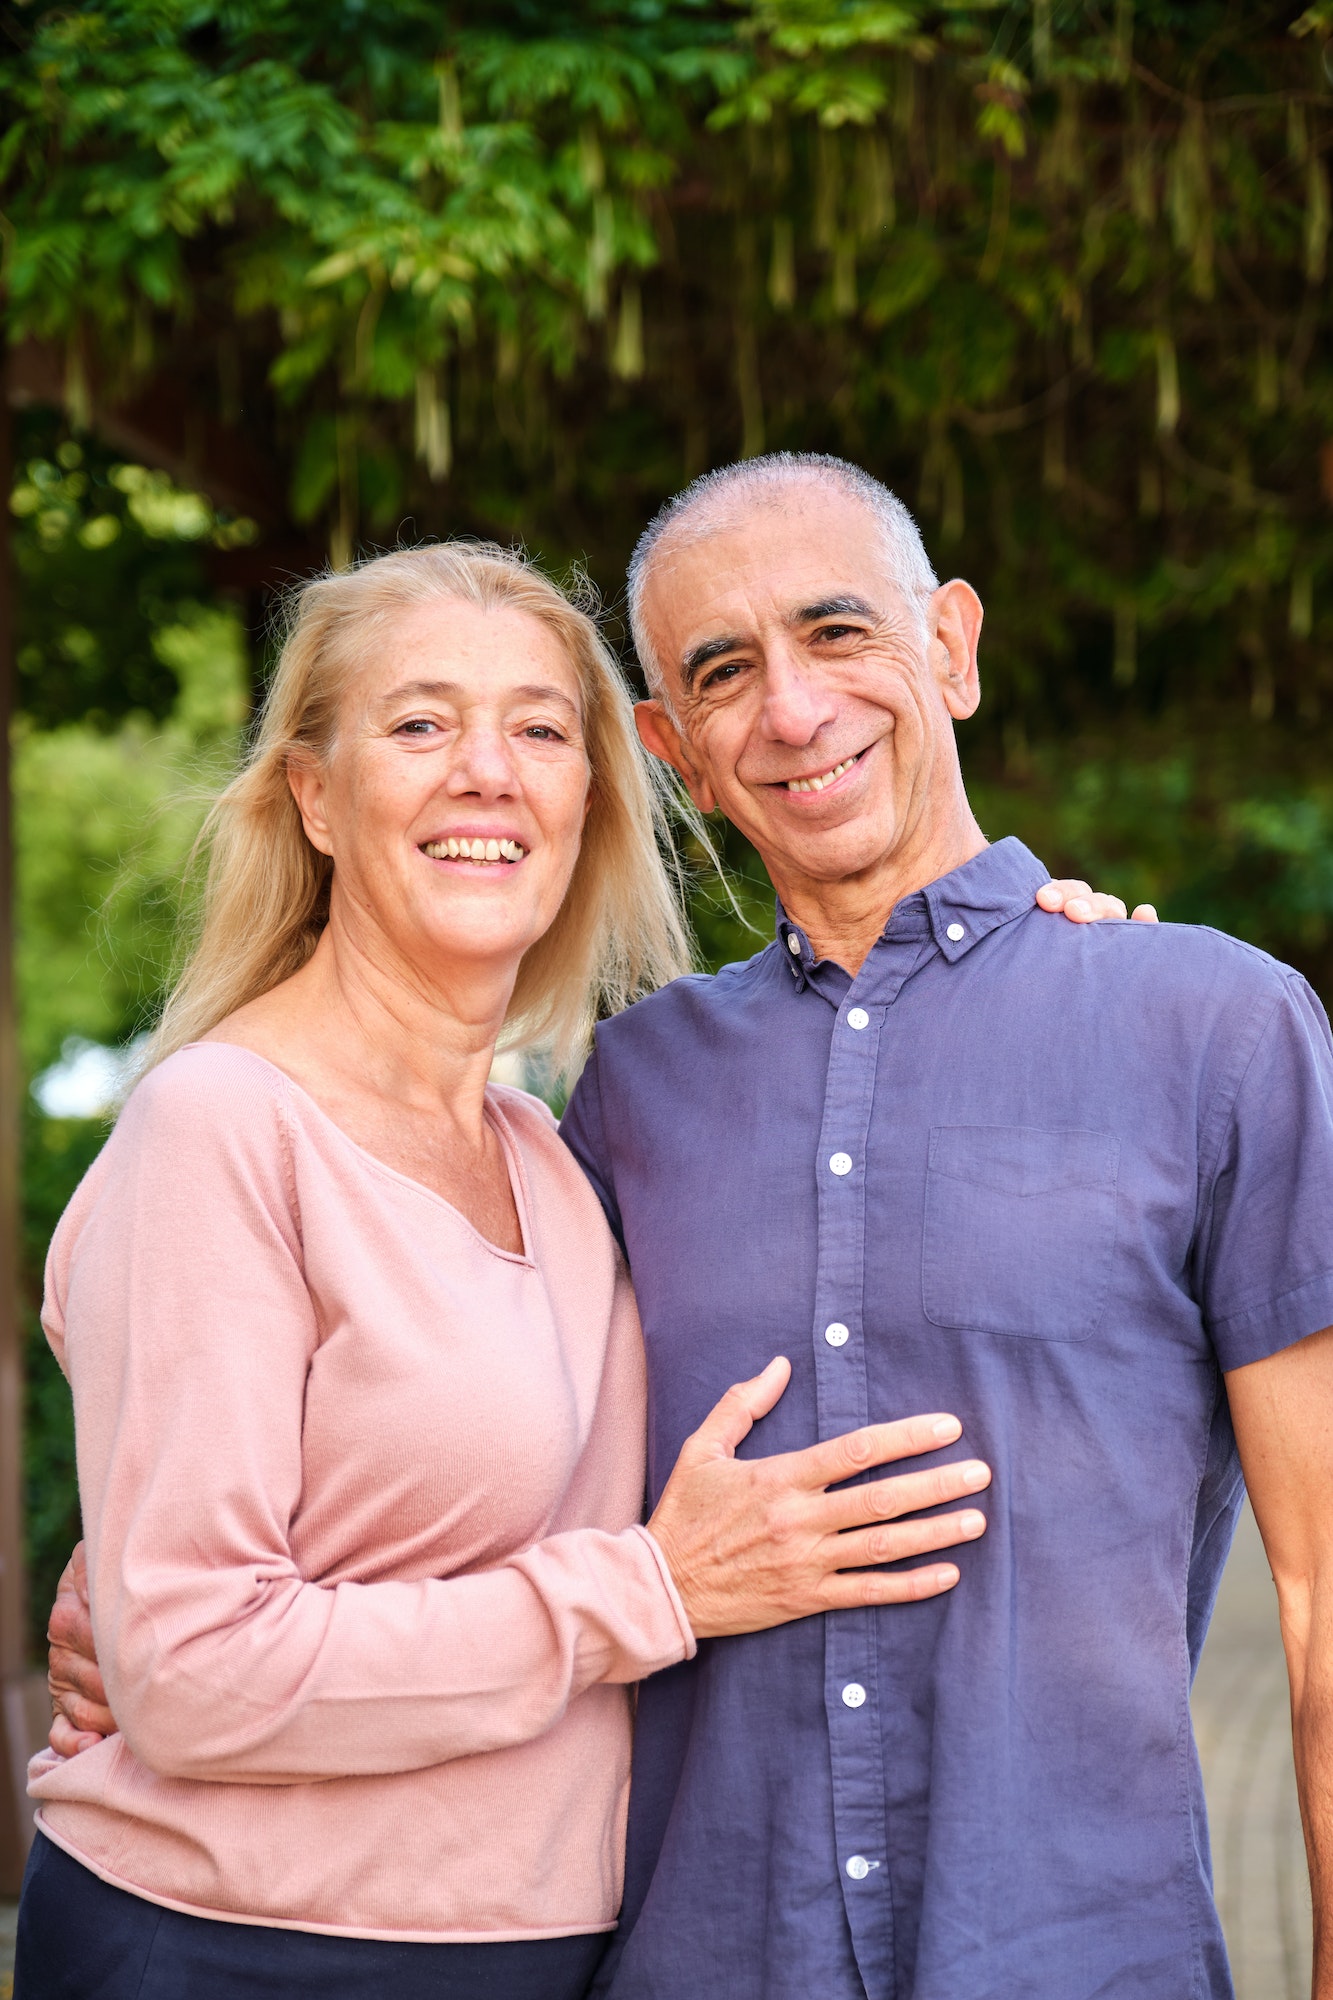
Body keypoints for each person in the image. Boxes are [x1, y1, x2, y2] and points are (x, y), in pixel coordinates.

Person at [18, 539, 1028, 2000]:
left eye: (538, 730)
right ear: (314, 793)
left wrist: (1034, 959)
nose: (486, 771)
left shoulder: (556, 1153)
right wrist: (651, 1590)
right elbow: (193, 1678)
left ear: (587, 798)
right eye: (420, 723)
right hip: (243, 1954)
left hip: (541, 1955)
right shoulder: (220, 1128)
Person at [545, 453, 1333, 2000]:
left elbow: (1316, 1602)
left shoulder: (1217, 1030)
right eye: (722, 672)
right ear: (673, 750)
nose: (788, 708)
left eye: (837, 634)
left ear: (950, 649)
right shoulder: (631, 1089)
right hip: (705, 1955)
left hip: (1076, 1953)